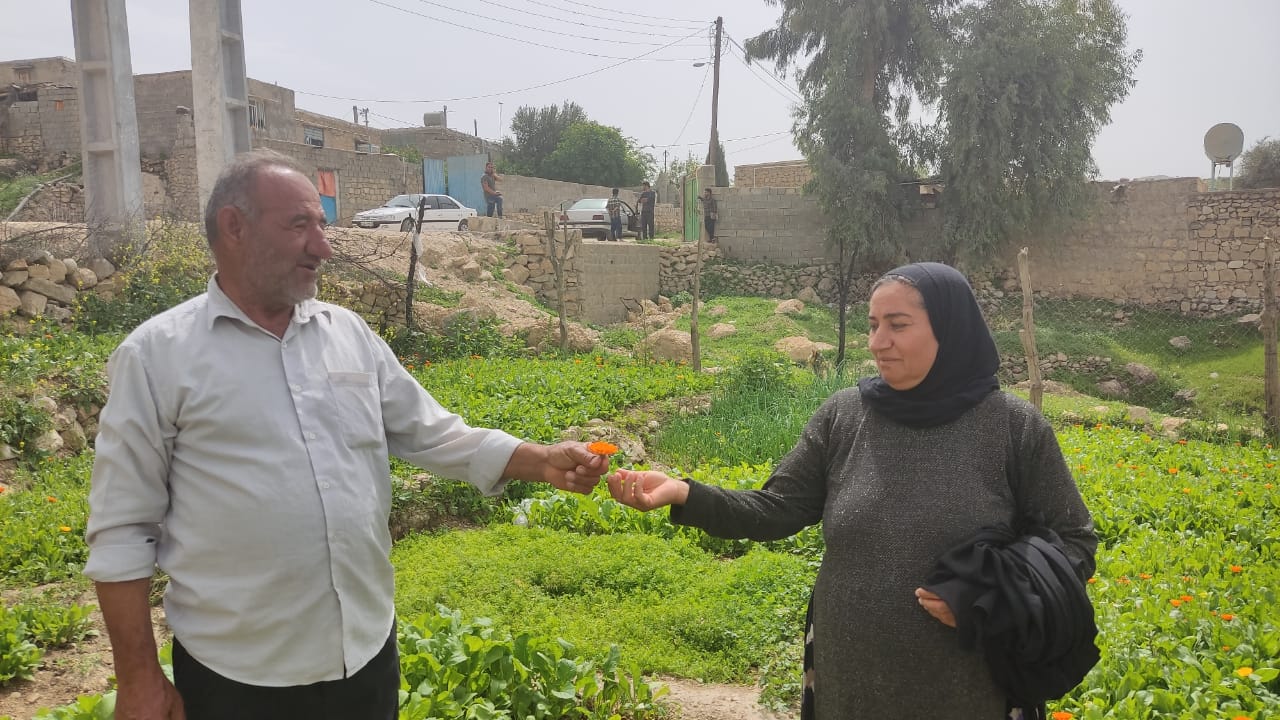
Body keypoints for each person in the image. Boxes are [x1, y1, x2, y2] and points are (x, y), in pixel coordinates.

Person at [84, 149, 609, 720]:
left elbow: (432, 433)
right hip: (237, 678)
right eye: (299, 225)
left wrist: (543, 461)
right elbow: (121, 529)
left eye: (323, 225)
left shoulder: (348, 334)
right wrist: (138, 679)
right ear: (234, 228)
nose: (323, 246)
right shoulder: (157, 356)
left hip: (364, 659)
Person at [607, 262, 1097, 719]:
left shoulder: (1013, 428)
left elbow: (1074, 543)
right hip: (849, 682)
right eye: (872, 324)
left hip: (968, 689)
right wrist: (681, 492)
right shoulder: (846, 416)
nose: (878, 342)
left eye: (898, 325)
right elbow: (778, 508)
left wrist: (987, 596)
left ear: (949, 329)